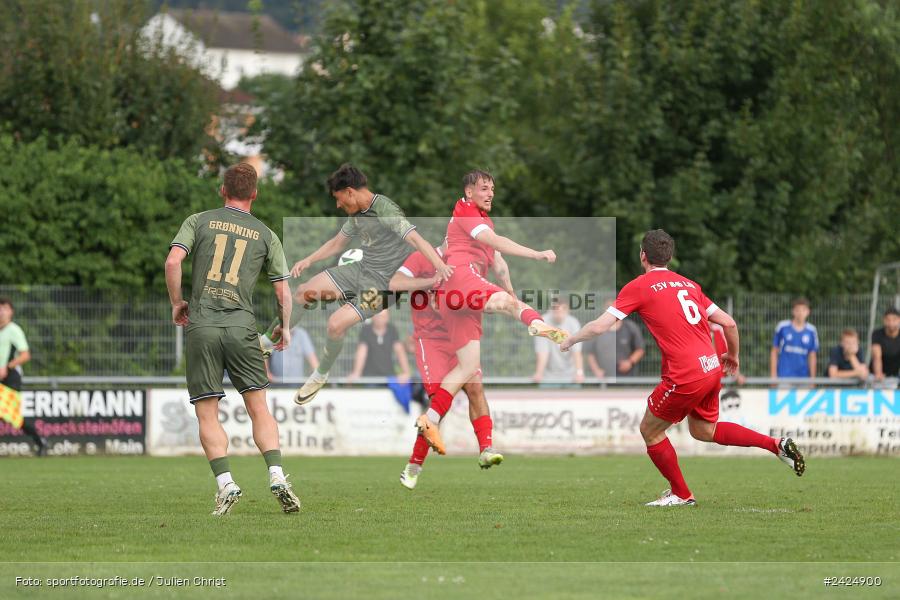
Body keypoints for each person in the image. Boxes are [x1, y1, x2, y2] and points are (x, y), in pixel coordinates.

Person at [561, 229, 805, 507]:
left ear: (643, 255)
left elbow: (602, 326)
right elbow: (729, 323)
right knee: (704, 430)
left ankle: (681, 494)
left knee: (650, 430)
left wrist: (572, 339)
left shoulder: (639, 286)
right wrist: (733, 357)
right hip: (711, 366)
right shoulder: (689, 285)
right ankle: (776, 445)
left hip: (685, 373)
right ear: (670, 257)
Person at [165, 162, 300, 516]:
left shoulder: (198, 221)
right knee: (258, 407)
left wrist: (178, 302)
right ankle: (276, 475)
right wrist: (284, 327)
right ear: (254, 194)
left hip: (203, 326)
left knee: (207, 412)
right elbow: (285, 294)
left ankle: (226, 484)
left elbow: (172, 262)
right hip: (243, 329)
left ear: (222, 190)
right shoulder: (267, 235)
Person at [415, 170, 570, 454]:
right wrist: (536, 254)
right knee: (510, 307)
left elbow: (498, 263)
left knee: (467, 367)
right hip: (461, 279)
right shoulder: (465, 210)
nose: (490, 194)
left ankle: (431, 419)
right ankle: (537, 323)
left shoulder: (482, 220)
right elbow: (498, 243)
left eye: (493, 190)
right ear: (469, 191)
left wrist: (510, 294)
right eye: (484, 188)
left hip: (453, 299)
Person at [280, 164, 452, 405]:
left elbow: (414, 238)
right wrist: (309, 259)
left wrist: (440, 266)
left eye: (339, 199)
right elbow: (338, 243)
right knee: (302, 292)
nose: (338, 205)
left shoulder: (385, 209)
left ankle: (320, 375)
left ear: (350, 192)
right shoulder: (357, 215)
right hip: (361, 269)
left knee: (335, 325)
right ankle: (272, 339)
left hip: (382, 288)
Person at [390, 245, 503, 490]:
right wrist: (432, 280)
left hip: (461, 336)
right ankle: (414, 465)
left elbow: (484, 295)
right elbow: (395, 283)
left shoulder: (472, 263)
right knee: (441, 401)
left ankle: (486, 448)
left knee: (476, 389)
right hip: (431, 340)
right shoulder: (422, 257)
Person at [0, 298, 47, 455]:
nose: (1, 311)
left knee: (10, 414)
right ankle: (40, 441)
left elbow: (25, 355)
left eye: (4, 308)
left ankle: (40, 440)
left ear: (11, 311)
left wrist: (7, 367)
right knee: (9, 415)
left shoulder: (14, 330)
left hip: (11, 377)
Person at [585, 299, 646, 379]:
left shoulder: (630, 327)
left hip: (627, 378)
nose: (611, 311)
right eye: (608, 308)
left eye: (614, 307)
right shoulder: (597, 329)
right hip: (603, 379)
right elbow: (589, 353)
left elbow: (640, 349)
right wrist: (596, 370)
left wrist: (630, 362)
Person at [346, 309, 411, 383]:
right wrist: (356, 372)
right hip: (369, 376)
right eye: (378, 316)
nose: (380, 319)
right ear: (373, 317)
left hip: (389, 375)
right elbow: (362, 352)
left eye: (383, 316)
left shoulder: (392, 330)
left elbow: (400, 351)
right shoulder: (366, 330)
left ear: (388, 317)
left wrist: (406, 372)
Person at [532, 300, 584, 385]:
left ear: (567, 311)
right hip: (548, 377)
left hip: (571, 376)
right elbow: (543, 352)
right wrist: (539, 373)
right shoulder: (543, 323)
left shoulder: (573, 323)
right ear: (550, 310)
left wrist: (579, 373)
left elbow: (576, 352)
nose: (559, 314)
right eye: (555, 310)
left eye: (562, 311)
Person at [770, 297, 819, 380]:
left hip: (803, 378)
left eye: (803, 310)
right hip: (784, 377)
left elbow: (812, 355)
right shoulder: (783, 327)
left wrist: (812, 379)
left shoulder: (812, 331)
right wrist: (773, 376)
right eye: (797, 310)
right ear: (793, 311)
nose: (800, 313)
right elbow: (774, 351)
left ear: (808, 312)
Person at [872, 307, 900, 381]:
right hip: (877, 374)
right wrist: (878, 374)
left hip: (896, 374)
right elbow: (877, 356)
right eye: (888, 320)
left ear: (899, 320)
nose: (891, 323)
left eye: (894, 319)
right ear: (884, 320)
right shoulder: (877, 334)